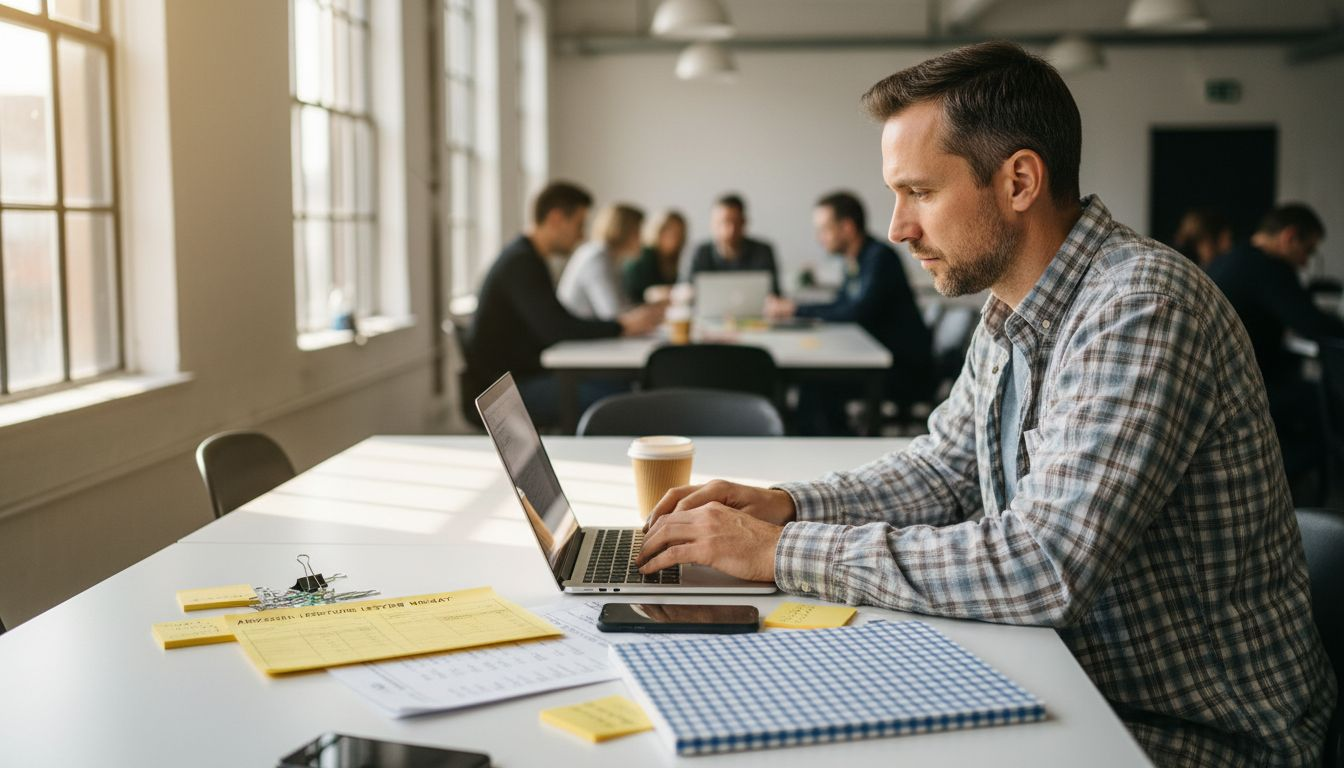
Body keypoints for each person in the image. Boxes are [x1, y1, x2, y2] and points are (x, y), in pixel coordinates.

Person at [635, 42, 1333, 766]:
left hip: (1188, 734)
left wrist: (778, 551)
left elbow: (1042, 565)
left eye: (920, 192)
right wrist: (785, 505)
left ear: (1019, 181)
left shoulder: (1141, 307)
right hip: (1071, 679)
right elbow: (943, 472)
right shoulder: (1012, 310)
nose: (897, 228)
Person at [465, 182, 662, 426]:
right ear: (556, 219)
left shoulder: (528, 257)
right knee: (626, 397)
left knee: (623, 387)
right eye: (579, 225)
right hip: (503, 394)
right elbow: (556, 329)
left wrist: (619, 326)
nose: (582, 236)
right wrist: (621, 326)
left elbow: (559, 322)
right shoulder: (521, 262)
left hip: (520, 379)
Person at [766, 191, 934, 434]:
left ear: (847, 227)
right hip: (875, 359)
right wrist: (797, 309)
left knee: (815, 388)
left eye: (824, 229)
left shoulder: (879, 258)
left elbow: (856, 312)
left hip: (900, 370)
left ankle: (826, 446)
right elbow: (840, 305)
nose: (819, 238)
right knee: (813, 385)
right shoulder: (853, 261)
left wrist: (795, 309)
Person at [1208, 203, 1343, 488]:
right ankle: (1280, 481)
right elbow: (1312, 323)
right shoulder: (1268, 267)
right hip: (1244, 392)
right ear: (1289, 236)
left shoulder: (1231, 258)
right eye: (1307, 250)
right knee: (1331, 407)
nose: (1305, 263)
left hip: (1217, 387)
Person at [558, 203, 646, 320]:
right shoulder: (597, 257)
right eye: (638, 232)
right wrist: (654, 310)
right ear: (623, 231)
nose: (643, 240)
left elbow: (623, 306)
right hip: (578, 330)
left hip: (593, 328)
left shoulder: (610, 257)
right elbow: (614, 315)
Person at [687, 194, 781, 296]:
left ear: (744, 222)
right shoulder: (700, 252)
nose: (730, 230)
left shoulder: (763, 252)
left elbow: (774, 293)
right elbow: (686, 288)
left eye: (736, 222)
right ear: (712, 224)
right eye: (724, 222)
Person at [623, 209, 687, 305]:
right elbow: (632, 293)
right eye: (667, 231)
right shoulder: (640, 257)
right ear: (657, 230)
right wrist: (650, 294)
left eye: (678, 233)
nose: (673, 238)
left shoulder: (683, 257)